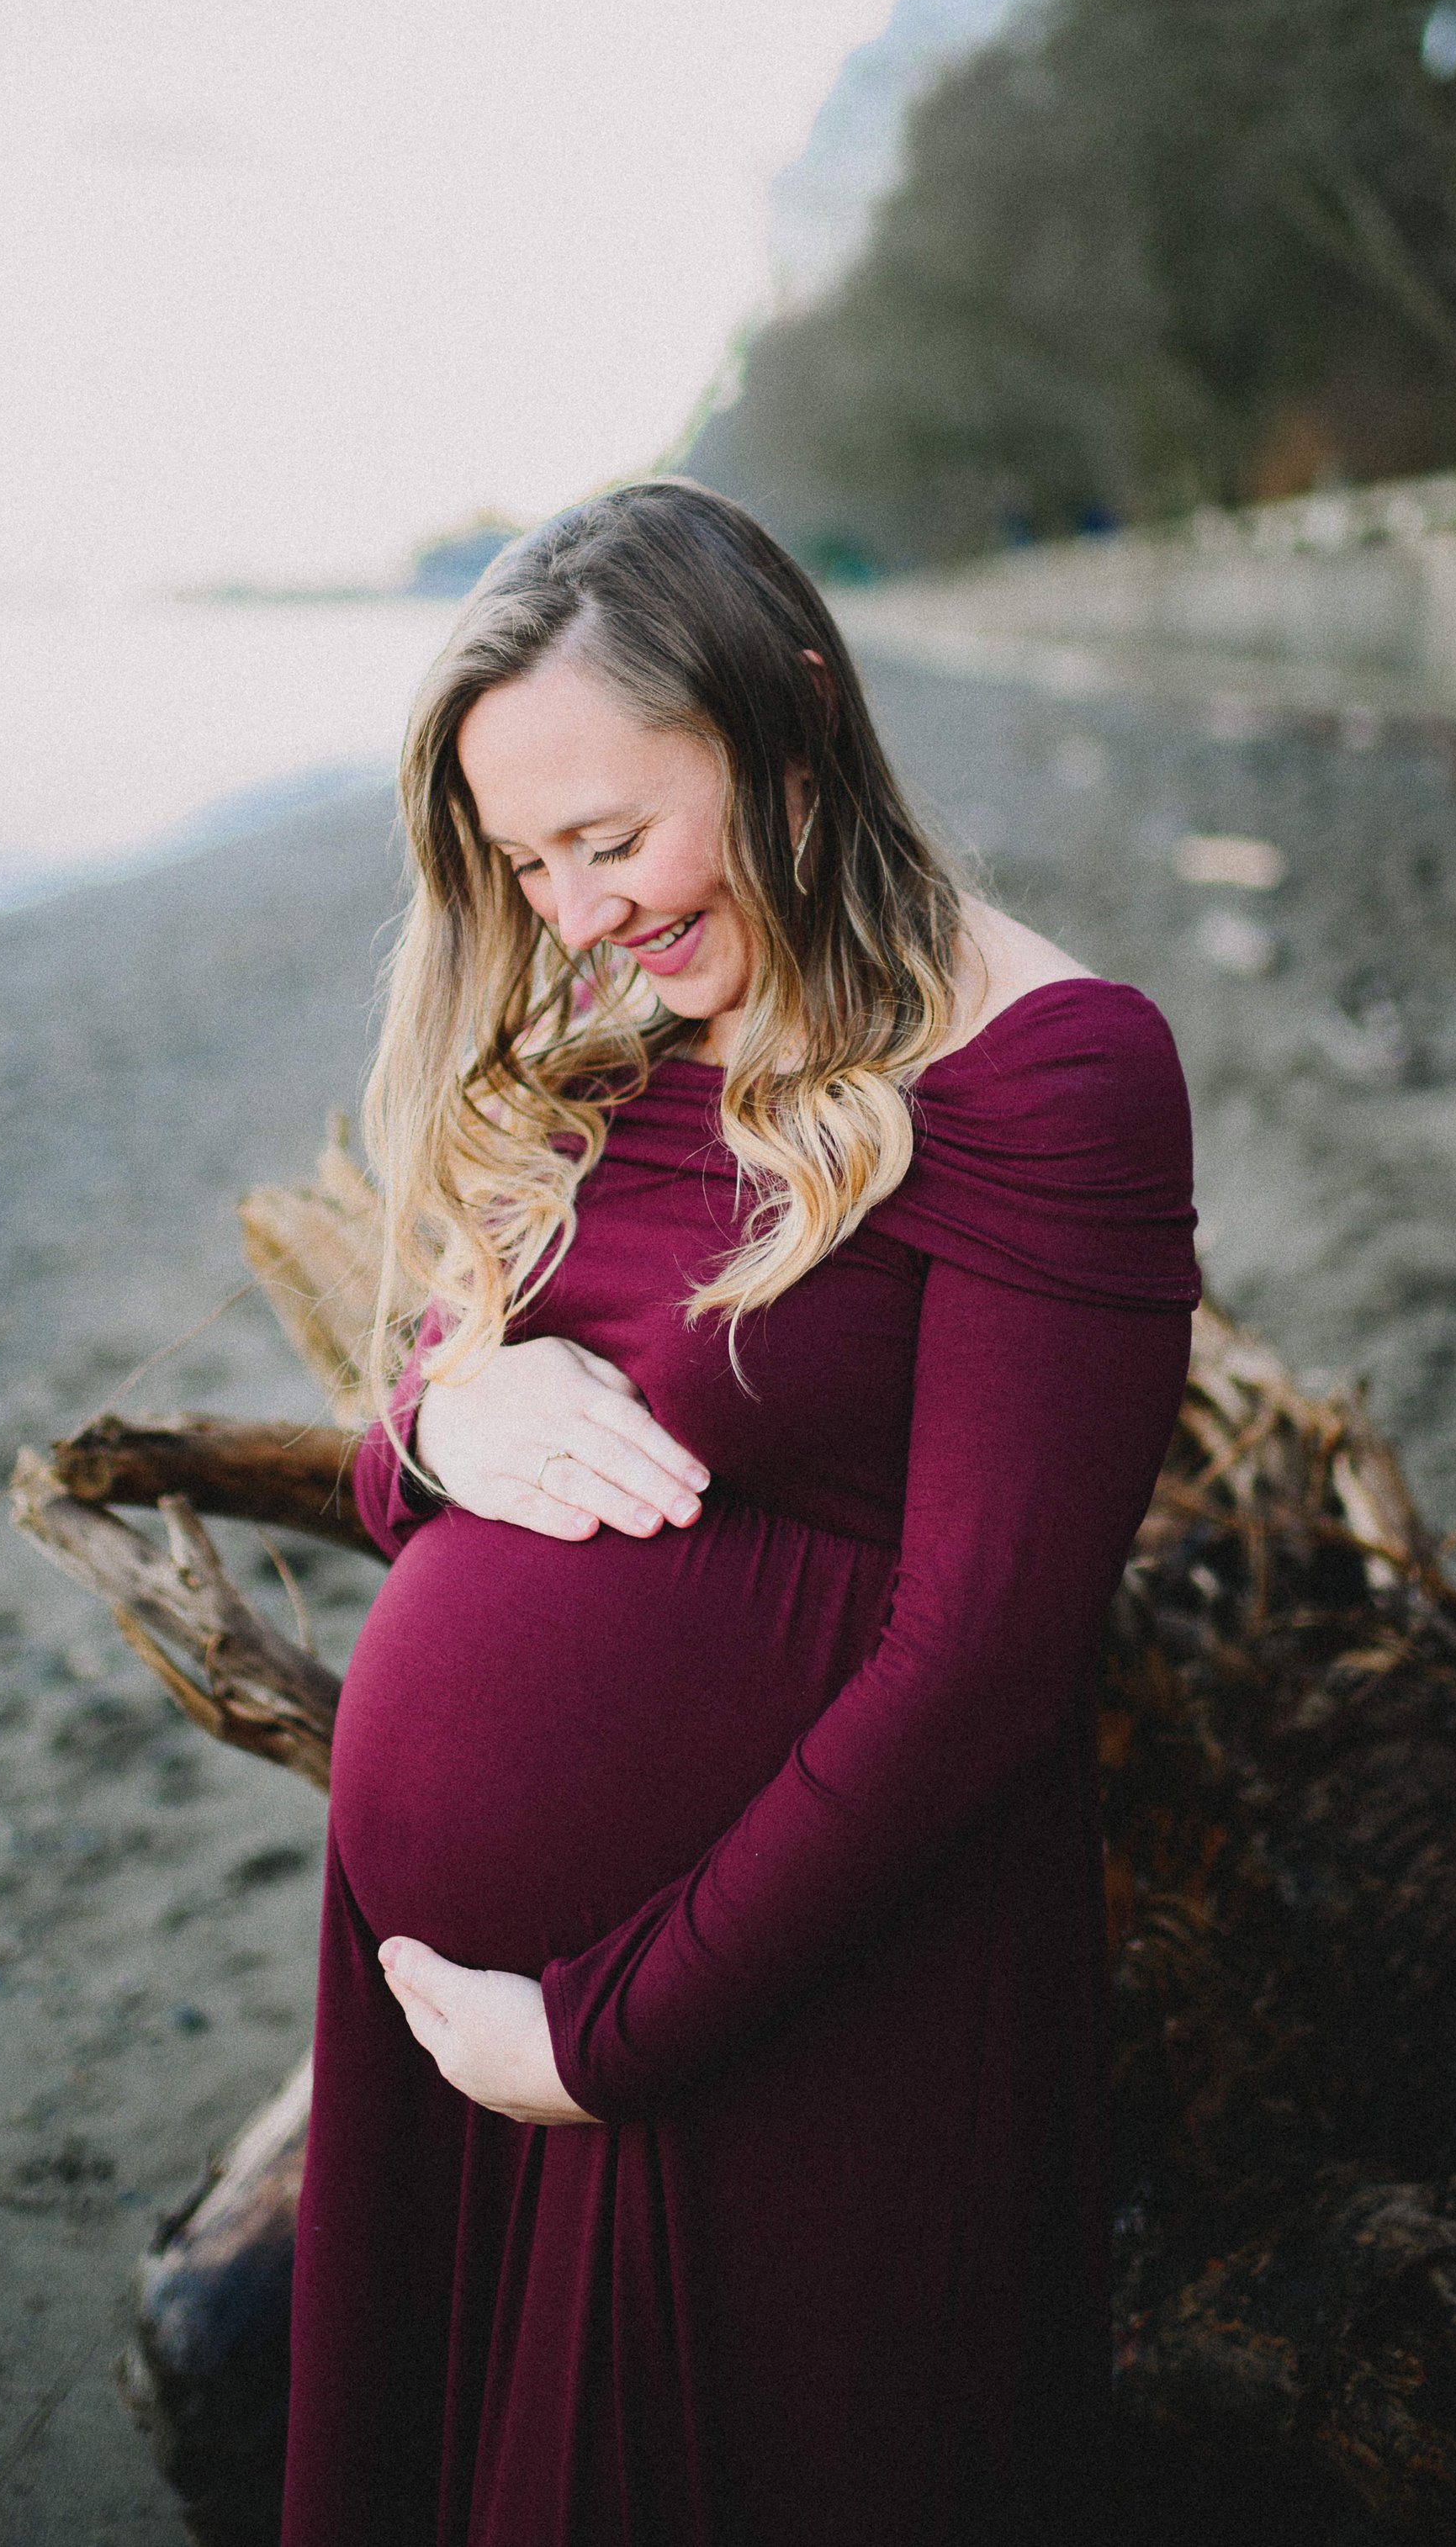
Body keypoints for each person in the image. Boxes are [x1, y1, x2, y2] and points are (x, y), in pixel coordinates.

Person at [281, 479, 1199, 2545]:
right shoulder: (615, 1055)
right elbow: (380, 1482)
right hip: (482, 2021)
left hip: (790, 2012)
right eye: (528, 865)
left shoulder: (1050, 1074)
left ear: (786, 716)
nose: (578, 913)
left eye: (608, 839)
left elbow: (986, 1658)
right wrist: (445, 1411)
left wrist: (605, 2032)